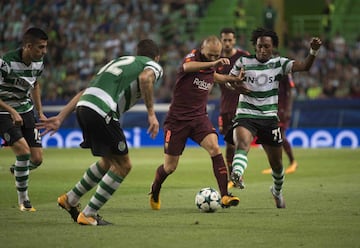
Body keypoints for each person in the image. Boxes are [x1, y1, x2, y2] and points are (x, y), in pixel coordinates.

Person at [36, 39, 163, 225]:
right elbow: (145, 78)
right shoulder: (152, 65)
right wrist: (151, 114)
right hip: (102, 110)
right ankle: (89, 214)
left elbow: (86, 91)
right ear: (156, 57)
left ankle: (70, 199)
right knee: (123, 166)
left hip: (85, 107)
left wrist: (61, 117)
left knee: (107, 162)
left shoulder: (119, 62)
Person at [149, 35, 248, 211]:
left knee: (215, 148)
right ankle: (155, 189)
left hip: (198, 118)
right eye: (210, 54)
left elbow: (216, 77)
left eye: (216, 55)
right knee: (170, 167)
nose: (213, 58)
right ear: (202, 49)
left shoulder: (211, 67)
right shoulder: (193, 58)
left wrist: (233, 79)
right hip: (177, 121)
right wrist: (212, 64)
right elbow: (187, 67)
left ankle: (225, 195)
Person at [226, 27, 322, 208]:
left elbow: (305, 66)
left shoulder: (280, 63)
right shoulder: (243, 62)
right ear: (255, 46)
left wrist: (313, 51)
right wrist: (236, 87)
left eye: (267, 47)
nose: (262, 50)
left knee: (277, 164)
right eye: (260, 46)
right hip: (246, 114)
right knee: (242, 144)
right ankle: (237, 174)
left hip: (269, 118)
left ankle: (277, 191)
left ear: (273, 47)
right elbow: (229, 82)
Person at [0, 27, 49, 212]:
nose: (44, 52)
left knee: (37, 159)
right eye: (40, 47)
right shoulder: (5, 63)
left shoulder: (39, 63)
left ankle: (18, 170)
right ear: (28, 46)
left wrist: (40, 112)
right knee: (23, 152)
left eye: (45, 47)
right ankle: (24, 201)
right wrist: (11, 110)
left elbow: (35, 85)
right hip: (3, 111)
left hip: (25, 109)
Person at [216, 27, 250, 188]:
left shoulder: (244, 57)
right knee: (229, 145)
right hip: (226, 109)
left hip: (243, 108)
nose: (227, 43)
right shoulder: (217, 60)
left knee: (241, 143)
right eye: (225, 40)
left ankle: (238, 174)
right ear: (221, 41)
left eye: (230, 40)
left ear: (234, 40)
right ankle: (232, 176)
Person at [261, 73, 298, 175]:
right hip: (269, 107)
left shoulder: (284, 70)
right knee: (267, 137)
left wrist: (288, 109)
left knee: (280, 135)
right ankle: (275, 165)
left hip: (281, 108)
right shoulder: (267, 69)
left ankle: (292, 162)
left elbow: (291, 90)